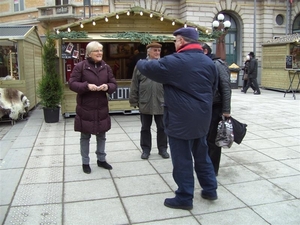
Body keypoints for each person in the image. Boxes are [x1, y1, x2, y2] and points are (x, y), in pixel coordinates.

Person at [136, 27, 218, 210]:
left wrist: (140, 58)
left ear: (181, 41)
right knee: (202, 155)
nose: (174, 44)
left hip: (180, 119)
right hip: (202, 118)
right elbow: (213, 89)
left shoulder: (175, 61)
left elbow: (146, 67)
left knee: (182, 160)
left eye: (175, 41)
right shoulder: (208, 62)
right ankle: (210, 189)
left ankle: (184, 197)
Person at [69, 41, 117, 174]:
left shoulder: (106, 67)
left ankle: (101, 159)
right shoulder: (80, 67)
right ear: (89, 53)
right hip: (86, 108)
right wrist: (86, 86)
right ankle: (85, 162)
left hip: (101, 107)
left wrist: (107, 87)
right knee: (85, 136)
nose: (100, 53)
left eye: (101, 50)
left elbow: (113, 83)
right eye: (97, 51)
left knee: (102, 135)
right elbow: (72, 83)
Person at [129, 42, 169, 160]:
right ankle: (146, 150)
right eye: (154, 50)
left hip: (161, 101)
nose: (157, 53)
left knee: (162, 127)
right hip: (145, 101)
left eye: (158, 51)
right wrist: (133, 100)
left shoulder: (164, 65)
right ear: (148, 52)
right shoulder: (141, 65)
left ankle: (163, 149)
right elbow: (134, 83)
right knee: (145, 128)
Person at [202, 43, 231, 176]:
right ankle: (206, 165)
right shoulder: (205, 63)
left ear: (205, 51)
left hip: (216, 107)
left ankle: (213, 170)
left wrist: (226, 110)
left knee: (213, 140)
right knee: (205, 138)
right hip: (206, 107)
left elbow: (225, 87)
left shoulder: (217, 64)